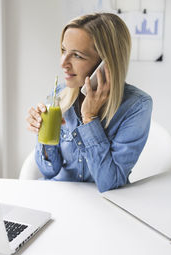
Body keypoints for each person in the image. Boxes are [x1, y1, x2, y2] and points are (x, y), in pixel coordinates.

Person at [26, 13, 152, 193]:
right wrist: (44, 134)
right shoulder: (60, 95)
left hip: (103, 207)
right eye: (63, 51)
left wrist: (89, 119)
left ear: (106, 64)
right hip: (60, 197)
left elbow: (109, 184)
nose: (63, 63)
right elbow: (49, 170)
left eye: (77, 55)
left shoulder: (137, 106)